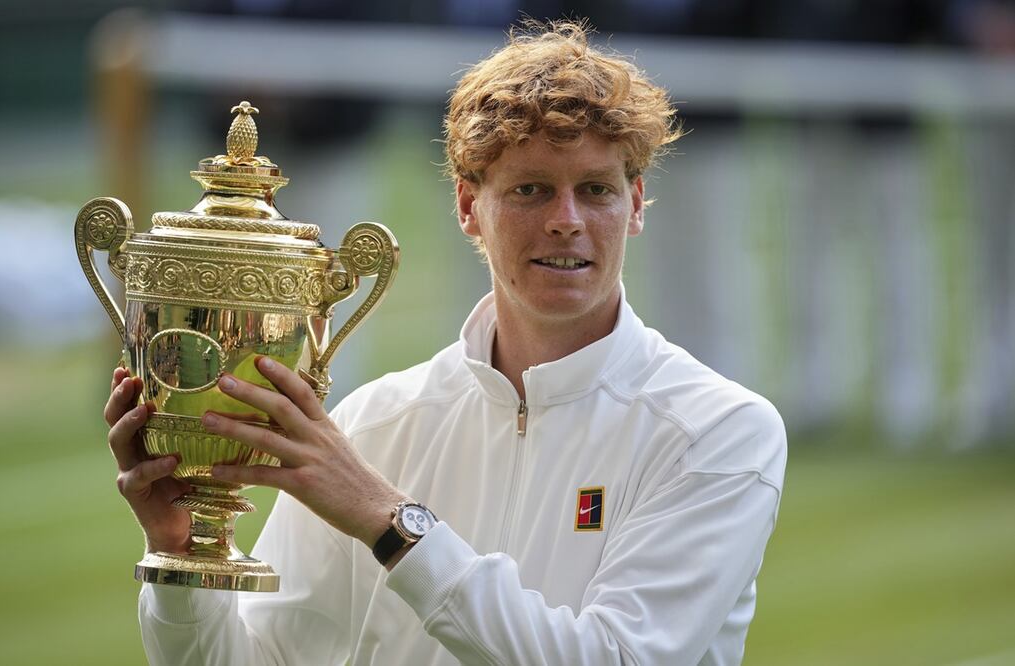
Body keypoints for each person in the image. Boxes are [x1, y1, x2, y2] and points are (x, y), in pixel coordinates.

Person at [105, 19, 787, 666]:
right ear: (468, 208)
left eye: (595, 190)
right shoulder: (373, 423)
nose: (566, 220)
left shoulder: (718, 431)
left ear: (634, 205)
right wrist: (179, 557)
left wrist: (391, 524)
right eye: (530, 190)